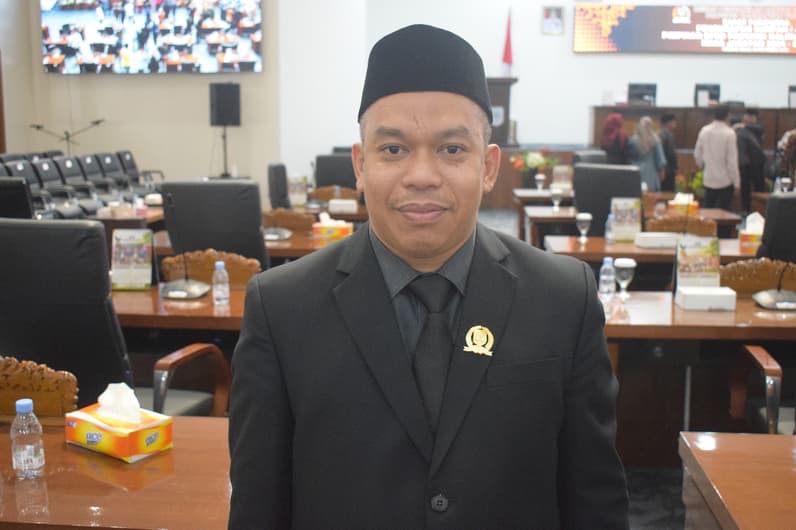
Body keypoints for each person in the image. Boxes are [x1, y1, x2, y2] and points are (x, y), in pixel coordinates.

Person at [229, 24, 628, 530]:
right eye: (393, 150)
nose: (421, 176)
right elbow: (258, 506)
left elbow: (595, 502)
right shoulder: (281, 308)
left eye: (452, 149)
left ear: (489, 166)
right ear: (360, 165)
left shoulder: (563, 299)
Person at [694, 105, 740, 210]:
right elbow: (732, 162)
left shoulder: (704, 130)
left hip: (708, 178)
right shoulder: (730, 133)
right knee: (723, 214)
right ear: (728, 116)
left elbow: (697, 154)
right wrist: (737, 183)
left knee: (707, 212)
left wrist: (702, 167)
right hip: (725, 181)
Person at [733, 109, 766, 213]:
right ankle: (745, 210)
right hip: (745, 164)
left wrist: (743, 126)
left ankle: (759, 211)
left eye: (752, 117)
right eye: (747, 116)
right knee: (745, 189)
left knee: (759, 189)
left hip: (757, 164)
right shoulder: (740, 129)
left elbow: (760, 129)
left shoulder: (758, 128)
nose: (749, 118)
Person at [628, 116, 666, 192]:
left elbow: (629, 157)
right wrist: (662, 170)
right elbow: (660, 158)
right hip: (651, 173)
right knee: (651, 195)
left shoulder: (633, 139)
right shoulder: (655, 139)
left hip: (636, 171)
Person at [659, 113, 678, 191]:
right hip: (668, 170)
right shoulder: (667, 135)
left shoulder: (660, 133)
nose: (675, 124)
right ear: (668, 123)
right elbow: (671, 154)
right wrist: (675, 167)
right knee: (668, 192)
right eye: (674, 121)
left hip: (663, 169)